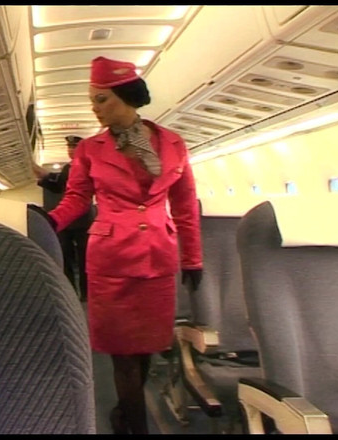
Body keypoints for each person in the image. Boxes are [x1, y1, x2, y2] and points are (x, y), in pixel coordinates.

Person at [43, 56, 203, 434]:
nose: (94, 108)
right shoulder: (89, 150)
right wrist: (49, 221)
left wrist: (193, 259)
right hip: (112, 260)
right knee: (122, 356)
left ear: (126, 97)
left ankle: (123, 413)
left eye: (101, 100)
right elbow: (77, 200)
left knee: (145, 350)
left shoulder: (174, 144)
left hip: (158, 260)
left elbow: (185, 206)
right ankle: (136, 424)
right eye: (92, 100)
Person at [32, 136, 96, 301]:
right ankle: (71, 294)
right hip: (66, 222)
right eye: (69, 148)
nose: (71, 151)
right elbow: (58, 184)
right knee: (65, 257)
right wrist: (36, 171)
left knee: (85, 260)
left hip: (82, 219)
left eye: (74, 148)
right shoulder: (69, 167)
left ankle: (86, 295)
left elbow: (70, 189)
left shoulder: (86, 165)